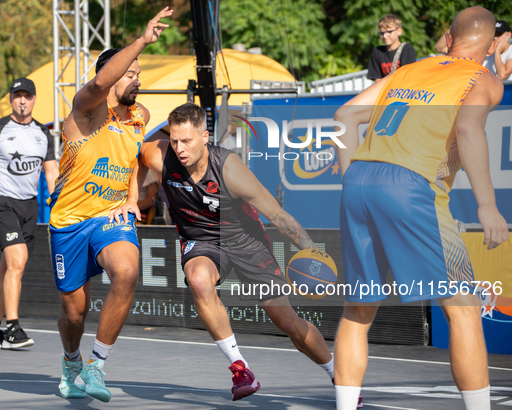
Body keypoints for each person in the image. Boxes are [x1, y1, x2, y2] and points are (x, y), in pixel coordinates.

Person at [333, 7, 508, 410]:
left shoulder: (411, 70)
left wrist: (351, 180)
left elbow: (345, 116)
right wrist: (487, 206)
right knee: (463, 308)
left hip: (360, 179)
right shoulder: (483, 78)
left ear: (448, 38)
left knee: (359, 310)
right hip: (410, 186)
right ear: (493, 45)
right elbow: (467, 128)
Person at [137, 102, 360, 405]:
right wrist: (128, 198)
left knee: (288, 322)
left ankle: (338, 374)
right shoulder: (161, 155)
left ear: (205, 137)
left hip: (247, 243)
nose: (179, 148)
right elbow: (136, 157)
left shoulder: (231, 170)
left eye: (186, 141)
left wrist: (313, 252)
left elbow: (279, 217)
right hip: (201, 240)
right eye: (174, 140)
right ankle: (240, 369)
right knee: (198, 279)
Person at [47, 7, 172, 403]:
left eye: (138, 74)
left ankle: (97, 365)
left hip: (108, 216)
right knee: (74, 313)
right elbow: (101, 81)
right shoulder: (85, 111)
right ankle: (71, 362)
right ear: (114, 76)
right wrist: (141, 41)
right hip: (67, 221)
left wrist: (133, 195)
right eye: (130, 74)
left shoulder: (141, 116)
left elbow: (134, 158)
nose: (137, 81)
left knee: (127, 269)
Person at [0, 77, 59, 350]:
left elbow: (51, 172)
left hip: (29, 206)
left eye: (27, 96)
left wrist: (58, 203)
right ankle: (13, 328)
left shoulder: (43, 133)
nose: (22, 100)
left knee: (9, 268)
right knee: (17, 260)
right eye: (17, 95)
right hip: (1, 202)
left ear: (34, 99)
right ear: (10, 99)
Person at [367, 14, 416, 82]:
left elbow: (406, 76)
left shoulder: (407, 49)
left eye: (389, 32)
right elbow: (377, 80)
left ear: (399, 31)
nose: (385, 36)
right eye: (382, 33)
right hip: (385, 90)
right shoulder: (377, 51)